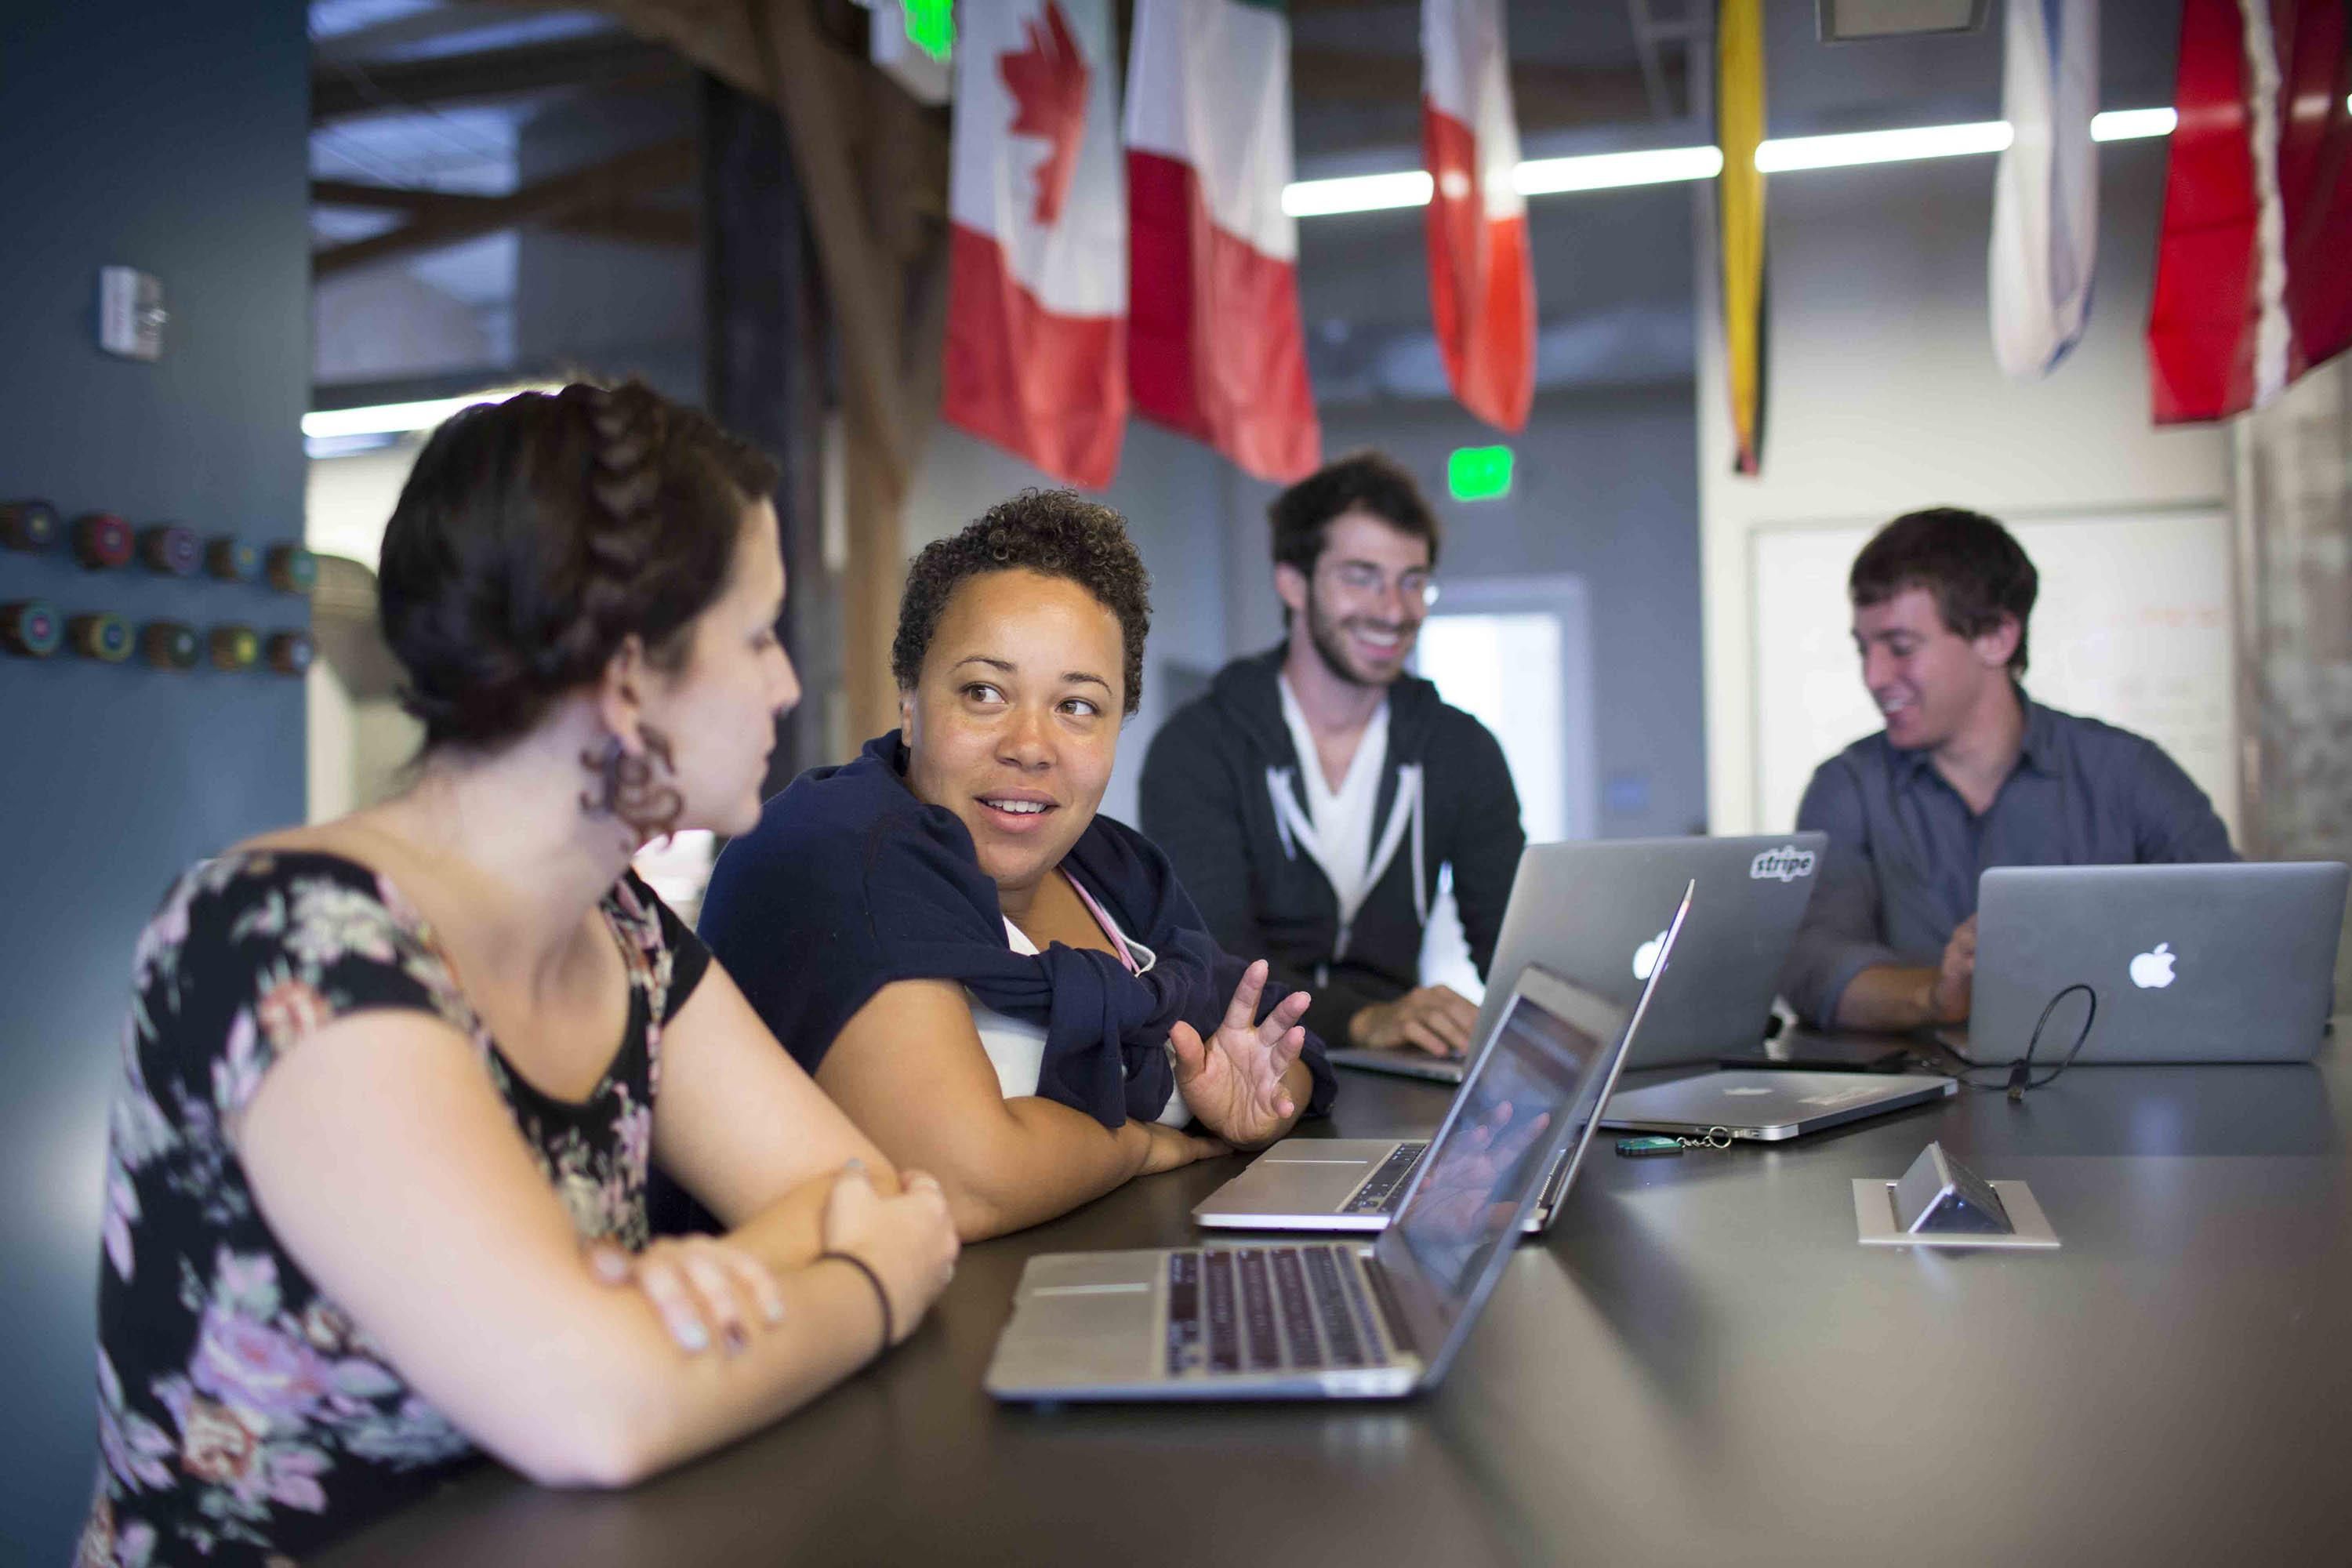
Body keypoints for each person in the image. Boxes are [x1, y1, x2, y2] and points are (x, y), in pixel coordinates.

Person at [80, 383, 959, 1566]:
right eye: (756, 635)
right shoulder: (285, 941)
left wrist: (679, 1296)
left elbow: (860, 1180)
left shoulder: (621, 926)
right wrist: (869, 1282)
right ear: (627, 673)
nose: (787, 685)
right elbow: (598, 1411)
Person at [698, 492, 1338, 1243]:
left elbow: (1277, 1042)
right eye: (984, 693)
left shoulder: (1112, 868)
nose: (1030, 745)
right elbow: (964, 1181)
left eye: (1078, 706)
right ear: (909, 702)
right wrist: (1145, 1144)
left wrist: (1249, 1105)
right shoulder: (838, 849)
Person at [1780, 506, 2236, 1032]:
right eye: (1864, 649)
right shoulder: (1849, 786)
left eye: (1900, 647)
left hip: (2106, 1097)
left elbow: (2234, 935)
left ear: (1998, 636)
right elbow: (1814, 967)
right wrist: (1938, 996)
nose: (1874, 675)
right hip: (1910, 1101)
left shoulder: (2129, 772)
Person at [1138, 452, 1526, 1060]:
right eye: (1361, 576)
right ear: (1292, 581)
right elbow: (1212, 956)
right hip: (1241, 1067)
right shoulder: (1199, 747)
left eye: (1413, 580)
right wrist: (1366, 1018)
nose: (1394, 610)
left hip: (1399, 1067)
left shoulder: (1460, 750)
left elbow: (1512, 945)